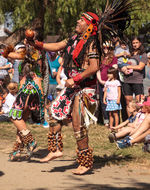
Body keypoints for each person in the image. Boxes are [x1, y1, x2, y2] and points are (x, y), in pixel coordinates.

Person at [28, 12, 100, 175]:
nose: (77, 21)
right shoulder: (74, 39)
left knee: (78, 125)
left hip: (85, 88)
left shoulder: (92, 42)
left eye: (81, 20)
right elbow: (57, 46)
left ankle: (85, 162)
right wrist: (36, 44)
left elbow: (94, 66)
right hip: (73, 86)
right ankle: (55, 150)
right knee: (53, 112)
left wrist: (76, 79)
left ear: (89, 25)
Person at [3, 32, 45, 161]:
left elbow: (5, 53)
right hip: (36, 89)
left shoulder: (25, 54)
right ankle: (18, 150)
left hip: (28, 88)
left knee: (13, 115)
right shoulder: (37, 54)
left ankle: (30, 140)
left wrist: (12, 46)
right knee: (21, 120)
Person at [123, 36, 147, 115]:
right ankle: (130, 120)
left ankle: (139, 123)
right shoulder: (129, 55)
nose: (135, 44)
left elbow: (140, 67)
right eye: (133, 43)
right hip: (127, 80)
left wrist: (128, 66)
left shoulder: (143, 54)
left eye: (136, 42)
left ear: (140, 43)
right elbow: (122, 65)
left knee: (139, 103)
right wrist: (123, 69)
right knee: (128, 103)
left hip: (137, 81)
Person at [96, 41, 118, 125]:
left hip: (111, 83)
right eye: (104, 47)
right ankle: (106, 120)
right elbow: (97, 70)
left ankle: (113, 120)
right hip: (101, 83)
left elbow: (114, 70)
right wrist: (101, 81)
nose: (105, 49)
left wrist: (108, 82)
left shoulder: (113, 58)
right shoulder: (100, 58)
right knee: (103, 101)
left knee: (111, 100)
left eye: (107, 47)